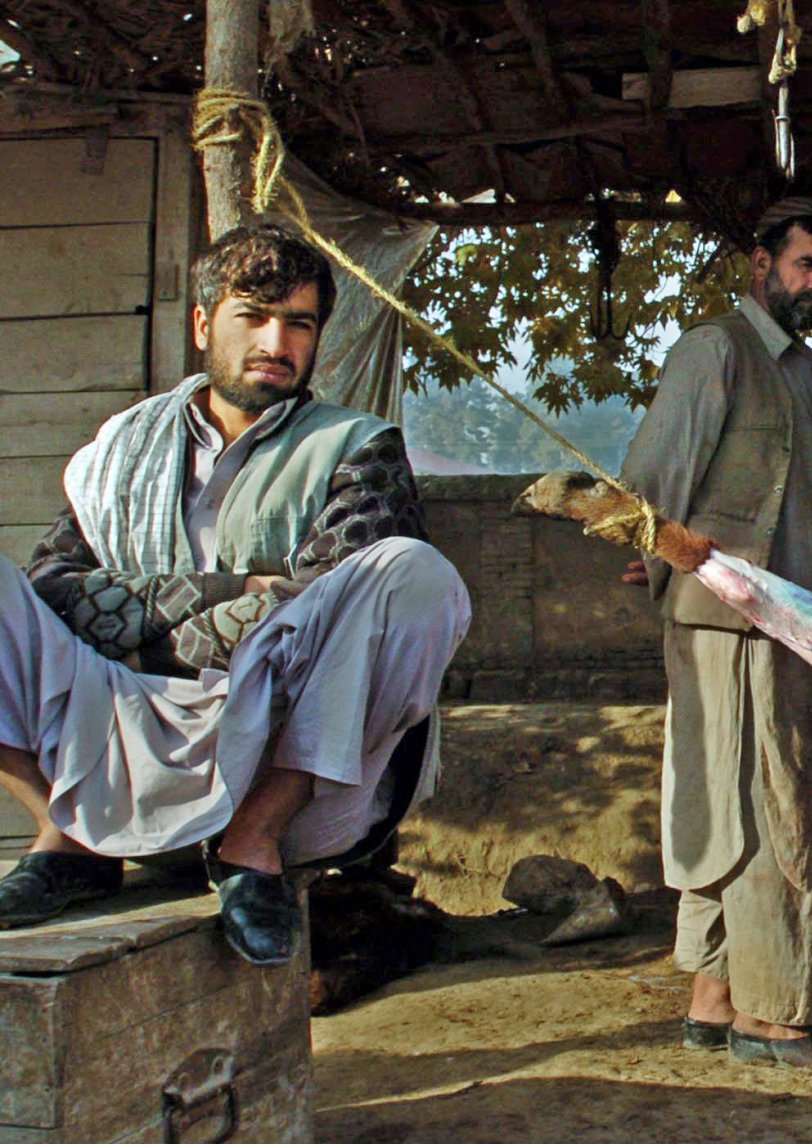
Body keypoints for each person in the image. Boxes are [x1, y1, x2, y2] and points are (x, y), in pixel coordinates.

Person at [0, 224, 470, 967]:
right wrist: (235, 589)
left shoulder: (357, 445)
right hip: (117, 729)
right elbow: (51, 590)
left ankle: (253, 842)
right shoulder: (121, 450)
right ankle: (76, 834)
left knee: (414, 573)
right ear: (202, 323)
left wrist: (140, 617)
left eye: (299, 323)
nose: (276, 342)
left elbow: (322, 607)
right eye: (253, 315)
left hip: (275, 744)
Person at [619, 199, 812, 1077]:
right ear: (759, 264)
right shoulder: (717, 349)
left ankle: (713, 1003)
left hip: (790, 622)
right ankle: (774, 1022)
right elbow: (650, 488)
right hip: (734, 624)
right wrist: (653, 547)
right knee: (775, 808)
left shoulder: (798, 367)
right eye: (805, 265)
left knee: (745, 804)